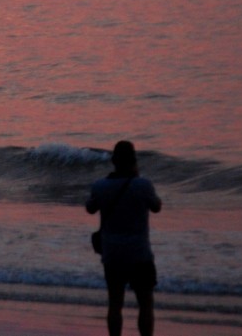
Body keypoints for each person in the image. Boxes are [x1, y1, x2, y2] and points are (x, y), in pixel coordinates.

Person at [86, 140, 162, 336]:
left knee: (114, 304)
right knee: (145, 304)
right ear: (134, 160)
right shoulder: (143, 185)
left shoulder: (100, 186)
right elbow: (156, 206)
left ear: (113, 161)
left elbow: (90, 208)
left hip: (113, 253)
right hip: (139, 253)